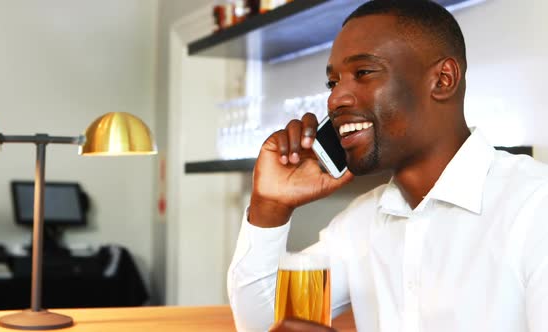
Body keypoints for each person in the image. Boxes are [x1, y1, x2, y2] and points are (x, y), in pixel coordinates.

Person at [227, 0, 548, 331]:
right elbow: (266, 324)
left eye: (363, 73)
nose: (336, 99)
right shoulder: (361, 223)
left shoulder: (536, 208)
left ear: (443, 79)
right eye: (333, 82)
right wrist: (270, 206)